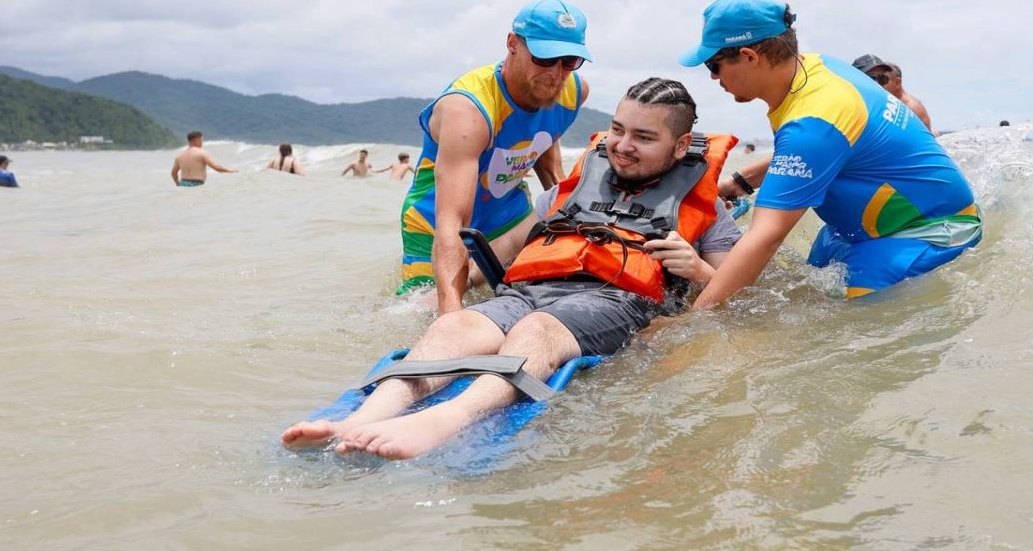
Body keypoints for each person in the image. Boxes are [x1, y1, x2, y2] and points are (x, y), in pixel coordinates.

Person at [281, 78, 741, 458]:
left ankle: (445, 420)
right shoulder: (572, 190)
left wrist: (699, 270)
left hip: (612, 300)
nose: (622, 146)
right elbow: (509, 246)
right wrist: (445, 289)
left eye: (643, 137)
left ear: (681, 145)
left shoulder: (706, 211)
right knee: (456, 325)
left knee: (539, 328)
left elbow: (744, 293)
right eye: (617, 129)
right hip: (528, 290)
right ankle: (363, 418)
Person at [678, 0, 981, 304]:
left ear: (750, 57)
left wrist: (690, 329)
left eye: (714, 65)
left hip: (924, 234)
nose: (714, 77)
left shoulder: (814, 121)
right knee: (798, 292)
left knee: (849, 332)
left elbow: (765, 237)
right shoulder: (817, 69)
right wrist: (739, 183)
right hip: (865, 228)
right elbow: (814, 151)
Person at [397, 0, 592, 311]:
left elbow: (543, 140)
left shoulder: (573, 92)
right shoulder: (469, 110)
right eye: (544, 58)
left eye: (568, 61)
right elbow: (453, 223)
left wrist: (566, 216)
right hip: (436, 221)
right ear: (512, 43)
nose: (555, 73)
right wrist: (451, 317)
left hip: (508, 215)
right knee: (421, 311)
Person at [851, 55, 937, 134]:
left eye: (883, 79)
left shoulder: (907, 108)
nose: (878, 84)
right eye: (870, 79)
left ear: (897, 82)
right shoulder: (879, 105)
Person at [171, 131, 237, 187]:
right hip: (196, 184)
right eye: (201, 140)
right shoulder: (201, 153)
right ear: (196, 141)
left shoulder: (180, 155)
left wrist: (178, 184)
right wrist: (230, 170)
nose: (202, 143)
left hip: (183, 184)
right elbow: (217, 167)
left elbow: (173, 173)